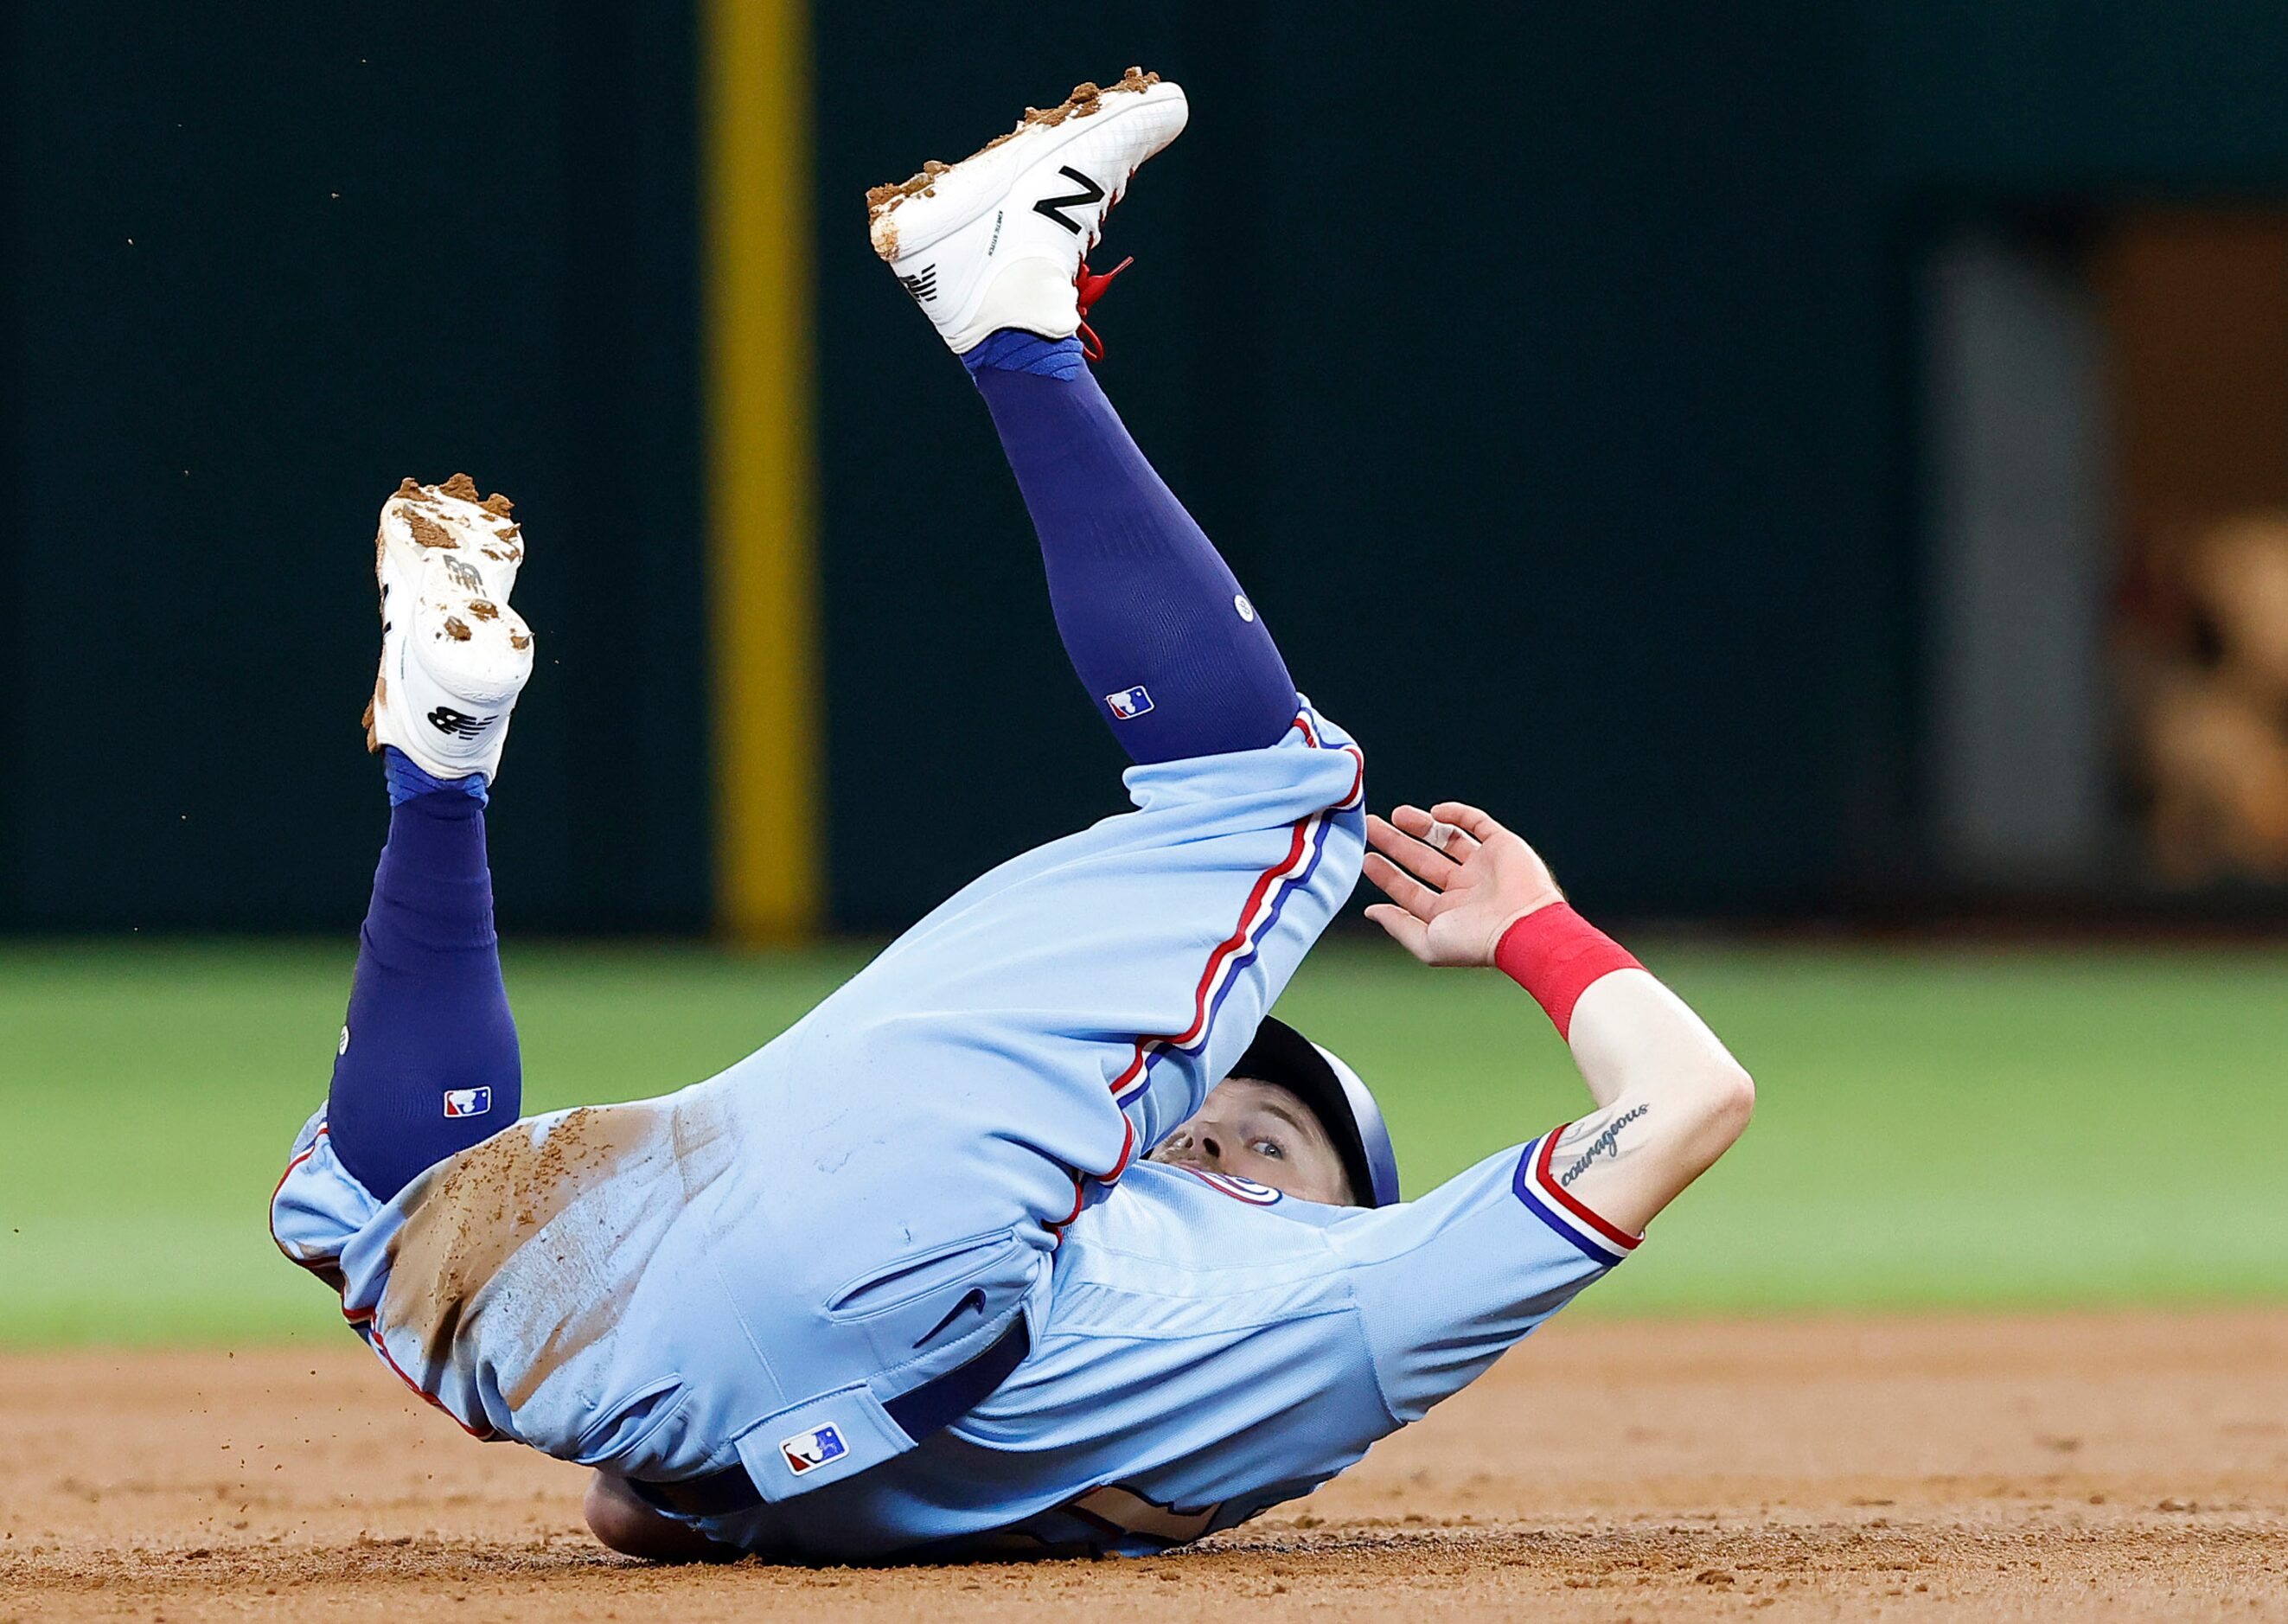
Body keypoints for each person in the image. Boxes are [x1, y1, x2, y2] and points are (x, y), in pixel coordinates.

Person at [272, 68, 1754, 1563]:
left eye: (1272, 1145)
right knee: (418, 1210)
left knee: (1279, 803)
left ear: (1353, 1207)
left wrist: (1534, 931)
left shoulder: (1370, 1297)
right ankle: (441, 765)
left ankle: (1008, 312)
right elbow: (641, 1507)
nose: (1220, 1140)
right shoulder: (1126, 1277)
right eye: (1223, 1117)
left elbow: (1690, 1102)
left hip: (885, 1264)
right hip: (688, 1369)